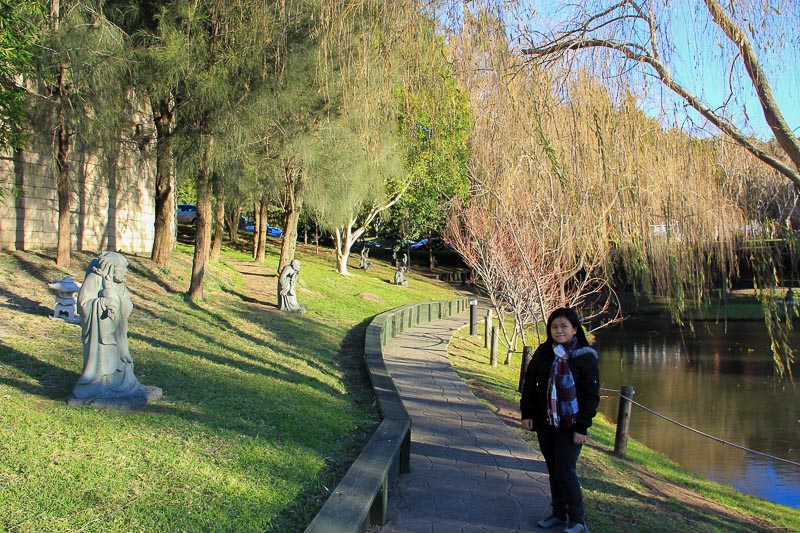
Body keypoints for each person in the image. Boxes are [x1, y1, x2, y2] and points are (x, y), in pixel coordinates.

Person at [520, 307, 599, 533]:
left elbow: (591, 395)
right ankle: (558, 513)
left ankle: (577, 519)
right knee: (553, 468)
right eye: (554, 326)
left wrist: (582, 427)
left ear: (575, 329)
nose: (559, 330)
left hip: (571, 424)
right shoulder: (544, 352)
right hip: (546, 421)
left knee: (566, 469)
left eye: (564, 326)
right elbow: (530, 383)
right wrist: (527, 414)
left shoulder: (585, 357)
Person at [72, 251, 142, 400]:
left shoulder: (119, 284)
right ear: (113, 268)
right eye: (124, 268)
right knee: (103, 360)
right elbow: (83, 304)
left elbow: (127, 306)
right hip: (100, 333)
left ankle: (122, 385)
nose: (126, 271)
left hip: (117, 332)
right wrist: (102, 304)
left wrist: (116, 299)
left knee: (121, 361)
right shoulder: (95, 279)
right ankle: (96, 385)